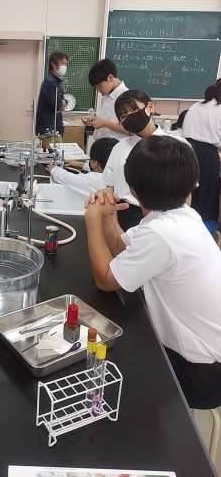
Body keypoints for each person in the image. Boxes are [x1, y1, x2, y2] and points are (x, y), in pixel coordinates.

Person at [85, 136, 221, 409]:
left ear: (133, 190)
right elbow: (121, 248)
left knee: (111, 366)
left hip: (201, 374)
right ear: (191, 186)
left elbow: (106, 280)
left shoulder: (161, 233)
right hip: (209, 360)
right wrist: (109, 215)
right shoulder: (183, 216)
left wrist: (92, 219)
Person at [97, 89, 188, 231]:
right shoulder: (119, 148)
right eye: (123, 116)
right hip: (125, 214)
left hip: (165, 217)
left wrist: (182, 224)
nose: (129, 116)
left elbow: (187, 192)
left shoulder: (177, 145)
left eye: (134, 109)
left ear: (150, 107)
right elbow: (109, 187)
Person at [182, 79, 221, 226]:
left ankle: (184, 225)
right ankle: (203, 228)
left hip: (187, 150)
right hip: (208, 156)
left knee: (188, 191)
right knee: (206, 195)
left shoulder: (196, 105)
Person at [46, 137, 118, 199]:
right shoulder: (119, 175)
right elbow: (99, 169)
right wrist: (82, 165)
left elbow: (68, 178)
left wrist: (54, 169)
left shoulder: (97, 179)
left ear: (95, 163)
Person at [86, 59, 129, 140]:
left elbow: (130, 130)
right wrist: (95, 120)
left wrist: (104, 123)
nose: (98, 90)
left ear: (110, 78)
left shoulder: (127, 97)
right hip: (101, 143)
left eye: (99, 86)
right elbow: (107, 119)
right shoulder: (107, 95)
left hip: (115, 146)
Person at [36, 51, 69, 147]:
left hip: (54, 128)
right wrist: (62, 104)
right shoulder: (50, 83)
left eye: (66, 64)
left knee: (57, 153)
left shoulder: (56, 82)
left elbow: (63, 103)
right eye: (63, 64)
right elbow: (58, 105)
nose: (64, 67)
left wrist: (62, 103)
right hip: (49, 130)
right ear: (53, 64)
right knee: (56, 154)